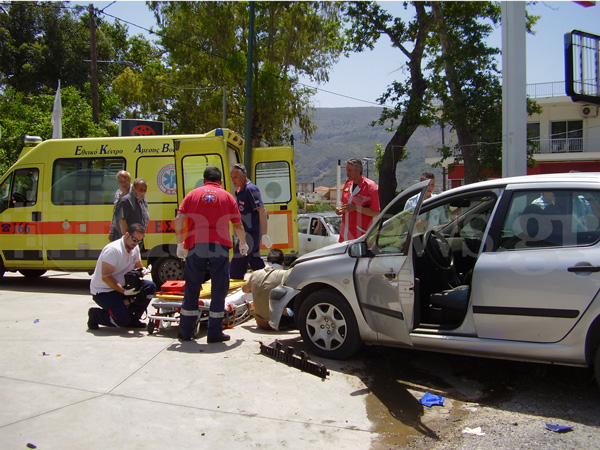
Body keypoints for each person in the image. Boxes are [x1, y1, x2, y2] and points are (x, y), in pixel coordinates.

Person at [174, 166, 249, 343]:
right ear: (220, 181)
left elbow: (180, 218)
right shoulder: (227, 197)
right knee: (219, 287)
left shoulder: (193, 194)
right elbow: (238, 225)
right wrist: (243, 244)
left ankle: (186, 331)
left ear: (204, 180)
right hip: (219, 245)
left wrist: (180, 243)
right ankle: (214, 332)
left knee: (192, 286)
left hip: (196, 244)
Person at [88, 223, 156, 329]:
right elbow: (106, 276)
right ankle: (95, 315)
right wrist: (124, 292)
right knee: (122, 321)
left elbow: (138, 268)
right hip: (104, 291)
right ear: (127, 234)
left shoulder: (135, 248)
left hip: (124, 286)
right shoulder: (113, 250)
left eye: (139, 240)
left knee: (150, 287)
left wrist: (143, 273)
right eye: (134, 239)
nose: (136, 243)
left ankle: (134, 318)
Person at [229, 163, 272, 280]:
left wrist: (265, 234)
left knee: (236, 266)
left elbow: (262, 210)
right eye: (231, 177)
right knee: (255, 261)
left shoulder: (250, 189)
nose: (233, 180)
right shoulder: (241, 191)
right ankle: (269, 283)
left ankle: (234, 293)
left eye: (236, 177)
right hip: (246, 232)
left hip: (250, 233)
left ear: (244, 176)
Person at [335, 158, 380, 242]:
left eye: (350, 171)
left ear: (358, 170)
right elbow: (345, 206)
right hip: (345, 235)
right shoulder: (347, 185)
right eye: (346, 170)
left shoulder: (370, 187)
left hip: (360, 236)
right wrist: (339, 211)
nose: (347, 174)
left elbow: (376, 212)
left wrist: (355, 207)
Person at [241, 248, 286, 330]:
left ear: (267, 260)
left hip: (261, 322)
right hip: (279, 322)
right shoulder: (285, 275)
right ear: (282, 263)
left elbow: (244, 290)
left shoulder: (255, 274)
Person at [108, 170, 132, 241]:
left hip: (131, 232)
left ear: (130, 180)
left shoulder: (135, 193)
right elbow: (115, 214)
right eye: (121, 181)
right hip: (118, 231)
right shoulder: (118, 193)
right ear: (117, 182)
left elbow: (144, 213)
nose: (123, 183)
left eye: (125, 181)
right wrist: (111, 232)